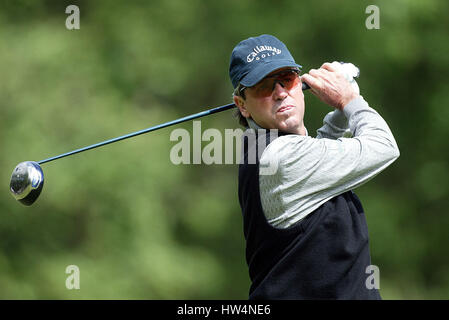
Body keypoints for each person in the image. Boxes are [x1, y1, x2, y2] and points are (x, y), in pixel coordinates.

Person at [229, 34, 400, 299]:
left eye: (287, 78)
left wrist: (339, 113)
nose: (280, 93)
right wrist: (350, 101)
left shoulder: (264, 148)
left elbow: (317, 160)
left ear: (300, 83)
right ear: (243, 106)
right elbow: (383, 147)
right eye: (264, 87)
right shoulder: (278, 157)